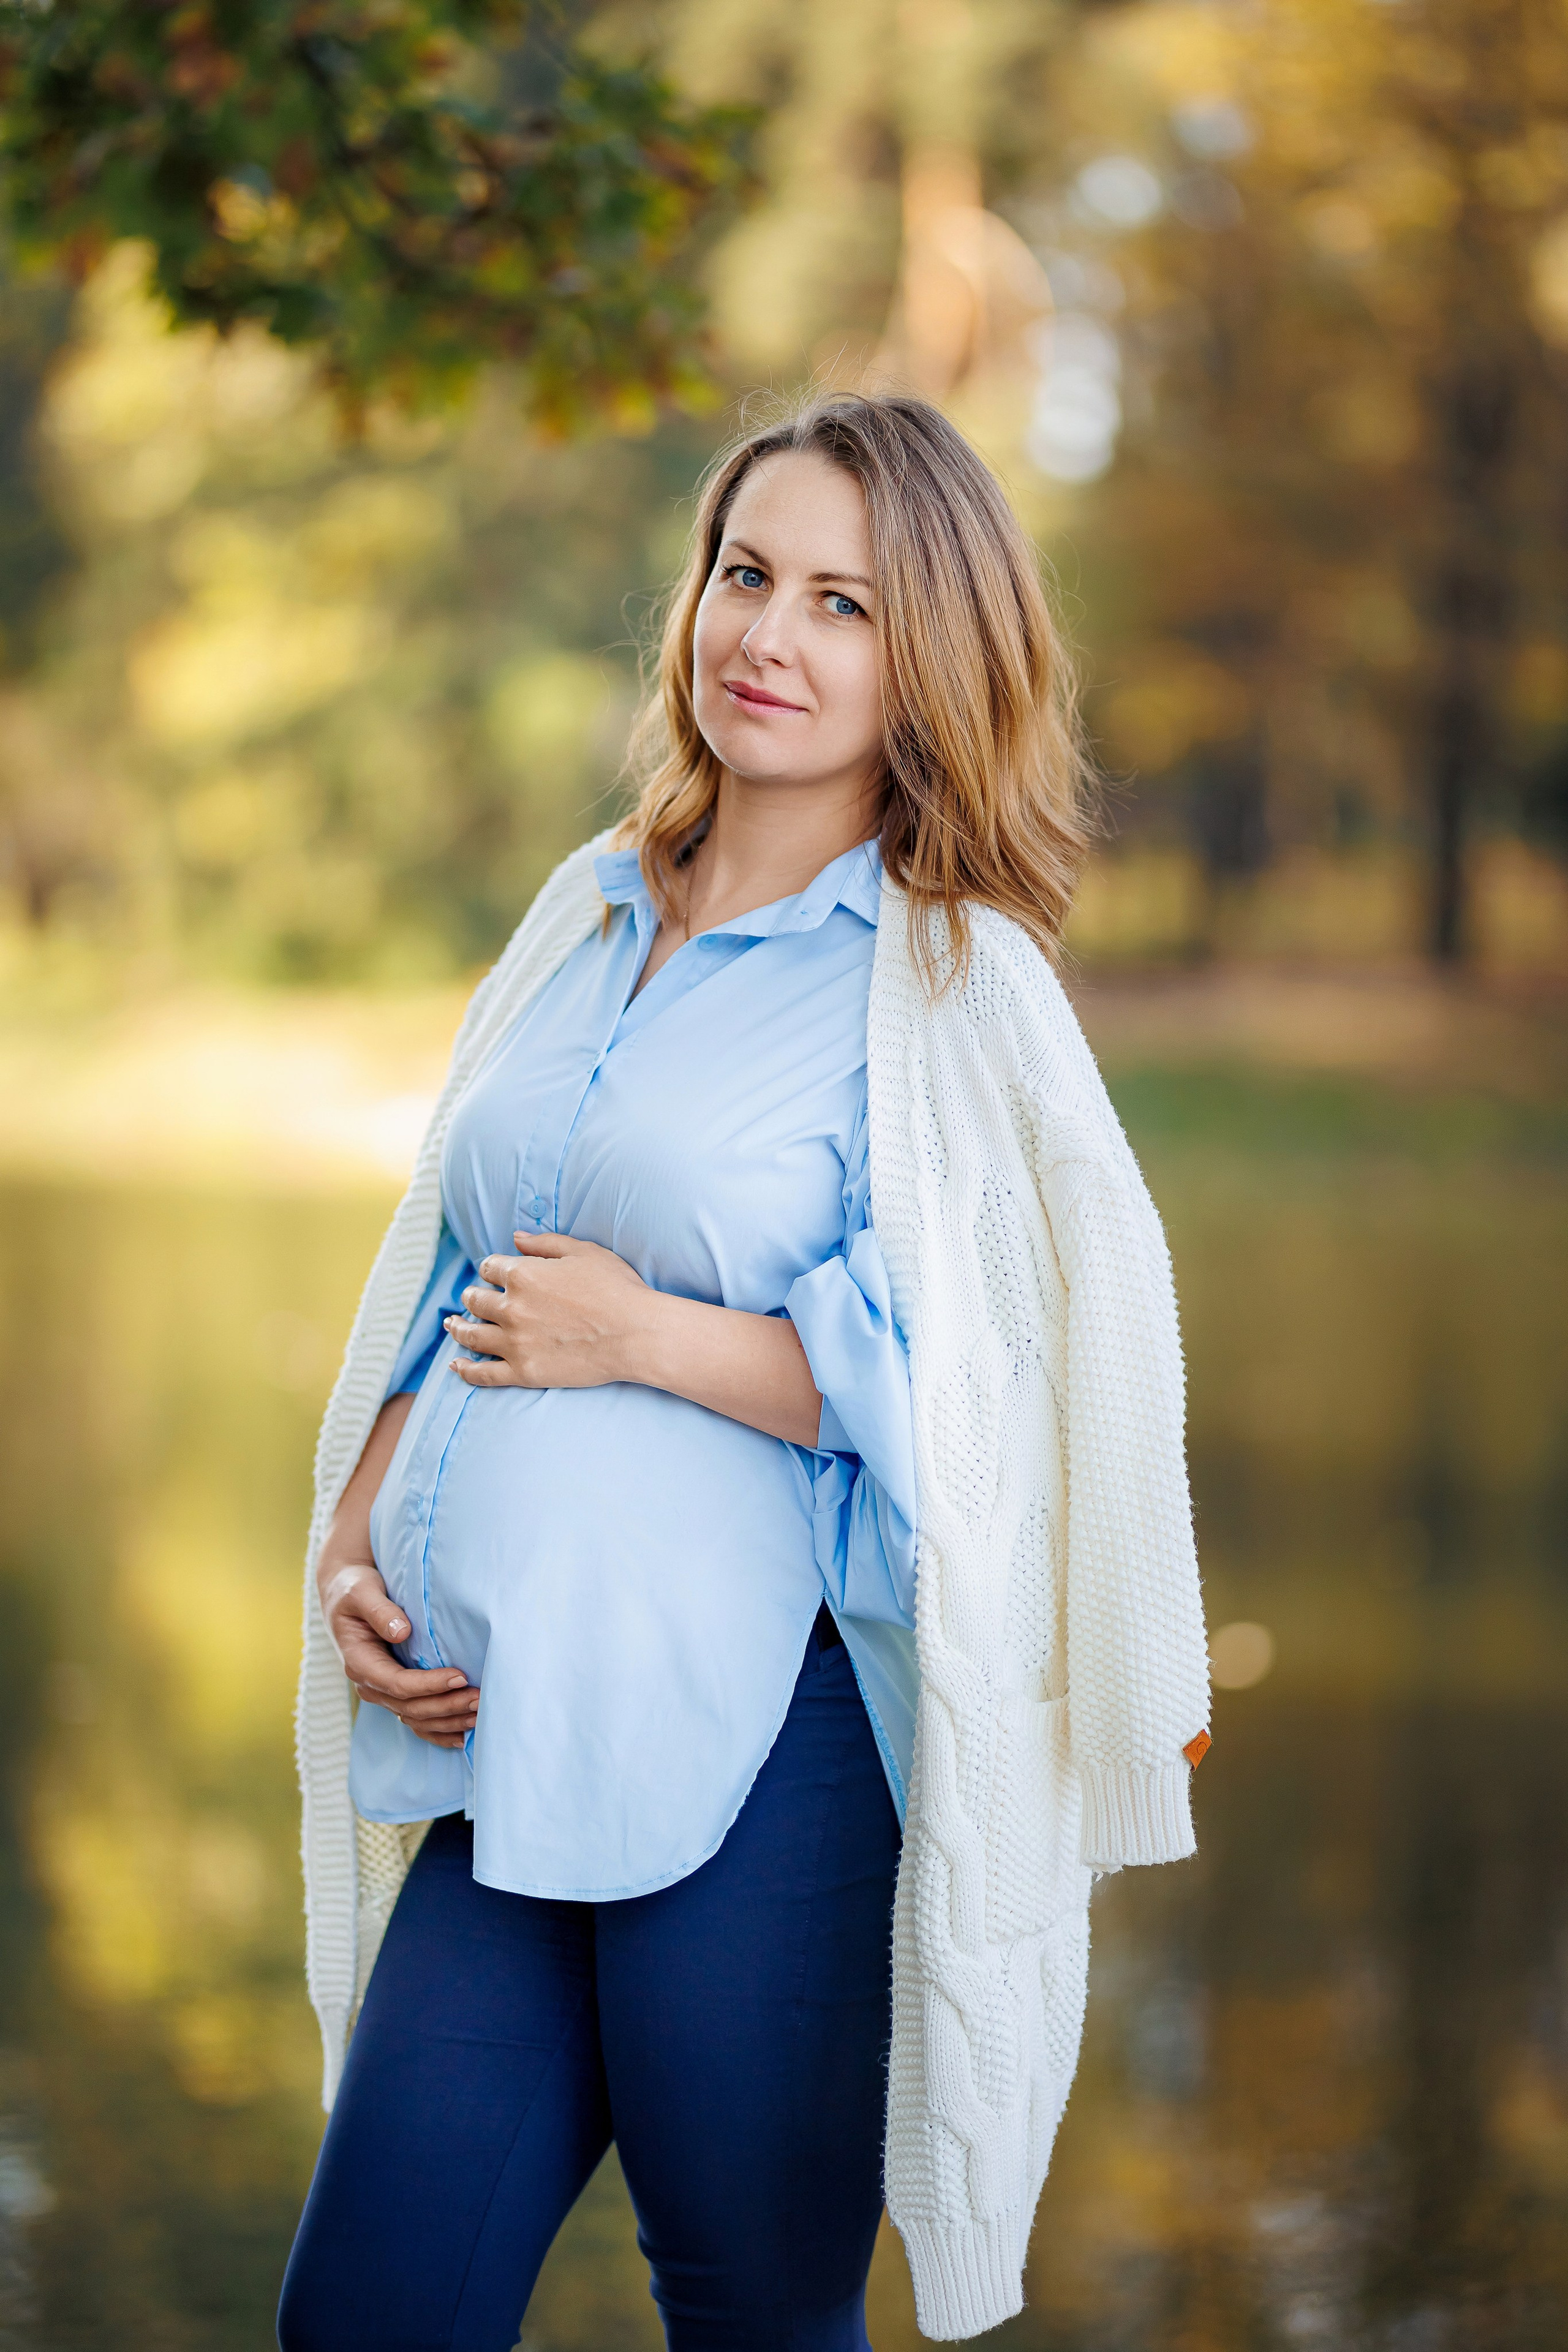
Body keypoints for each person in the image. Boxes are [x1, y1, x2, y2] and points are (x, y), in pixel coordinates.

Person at [278, 393, 1212, 2352]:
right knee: (367, 2315)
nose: (766, 636)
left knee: (752, 2320)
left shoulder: (947, 983)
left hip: (773, 1760)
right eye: (745, 575)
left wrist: (652, 1340)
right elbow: (443, 1270)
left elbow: (990, 1388)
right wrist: (360, 1548)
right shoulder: (590, 901)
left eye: (844, 603)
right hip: (500, 1731)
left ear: (929, 653)